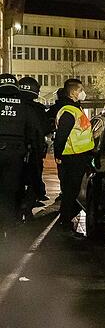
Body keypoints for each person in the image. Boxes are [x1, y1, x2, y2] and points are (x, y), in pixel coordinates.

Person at [53, 79, 95, 239]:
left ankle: (66, 219)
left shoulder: (75, 109)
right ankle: (65, 223)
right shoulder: (69, 112)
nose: (83, 92)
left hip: (78, 156)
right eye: (81, 90)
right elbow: (62, 136)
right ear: (73, 92)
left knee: (72, 191)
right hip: (72, 158)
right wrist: (58, 156)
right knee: (70, 192)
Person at [0, 75, 34, 240]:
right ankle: (9, 226)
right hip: (16, 154)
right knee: (10, 190)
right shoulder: (24, 105)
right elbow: (34, 131)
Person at [18, 77, 49, 217]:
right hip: (33, 151)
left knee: (15, 179)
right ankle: (28, 206)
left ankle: (17, 209)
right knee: (33, 179)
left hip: (14, 151)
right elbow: (44, 129)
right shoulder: (38, 109)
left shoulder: (14, 105)